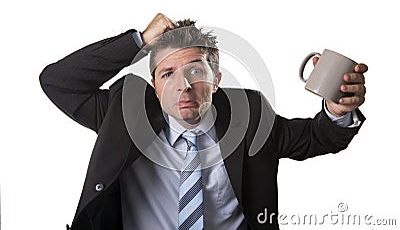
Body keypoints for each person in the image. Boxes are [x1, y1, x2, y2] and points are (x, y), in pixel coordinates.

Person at [39, 13, 367, 230]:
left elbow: (315, 137)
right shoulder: (124, 112)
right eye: (168, 73)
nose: (183, 85)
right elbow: (58, 82)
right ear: (154, 86)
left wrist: (337, 111)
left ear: (217, 79)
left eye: (196, 71)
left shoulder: (249, 115)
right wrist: (137, 41)